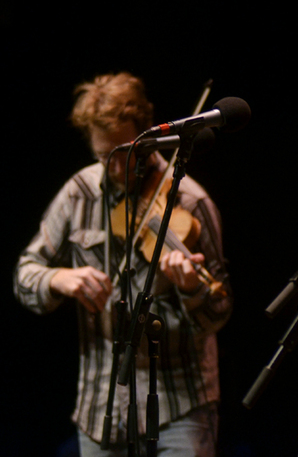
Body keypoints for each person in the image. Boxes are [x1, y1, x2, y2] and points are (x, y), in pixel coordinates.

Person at [14, 72, 232, 457]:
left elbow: (220, 309)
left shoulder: (191, 201)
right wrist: (59, 278)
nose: (117, 169)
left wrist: (190, 288)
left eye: (127, 152)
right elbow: (25, 275)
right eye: (105, 156)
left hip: (180, 406)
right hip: (101, 406)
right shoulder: (79, 193)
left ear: (147, 133)